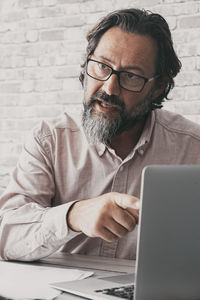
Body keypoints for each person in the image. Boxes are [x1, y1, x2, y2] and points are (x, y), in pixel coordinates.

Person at [1, 8, 200, 262]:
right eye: (102, 66)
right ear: (87, 63)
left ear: (157, 87)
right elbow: (6, 238)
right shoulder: (49, 140)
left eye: (130, 76)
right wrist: (74, 215)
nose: (109, 87)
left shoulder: (193, 148)